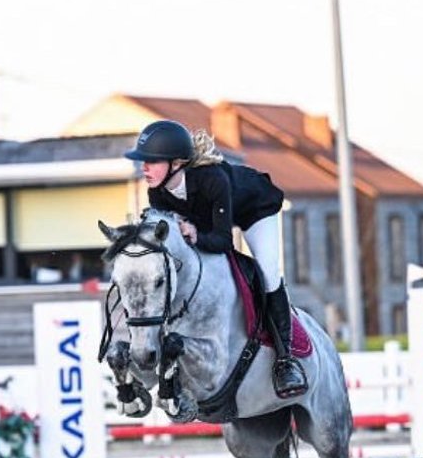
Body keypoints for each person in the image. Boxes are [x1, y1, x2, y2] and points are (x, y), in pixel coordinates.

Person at [123, 119, 308, 399]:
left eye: (151, 162)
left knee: (268, 273)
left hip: (255, 210)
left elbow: (222, 241)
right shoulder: (156, 193)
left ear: (177, 163)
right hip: (210, 220)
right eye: (143, 162)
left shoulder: (212, 180)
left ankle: (285, 361)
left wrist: (196, 235)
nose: (144, 168)